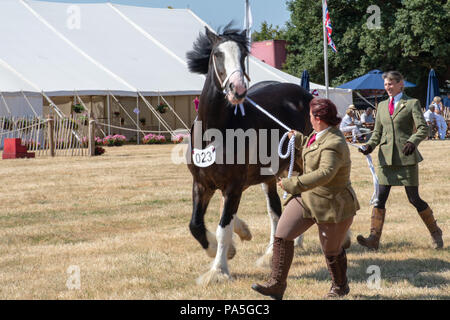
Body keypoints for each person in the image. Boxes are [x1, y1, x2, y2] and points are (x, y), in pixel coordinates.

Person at [251, 98, 360, 300]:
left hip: (332, 204)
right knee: (282, 235)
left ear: (318, 119)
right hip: (307, 197)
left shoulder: (334, 142)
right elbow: (313, 148)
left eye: (310, 116)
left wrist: (293, 183)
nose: (308, 119)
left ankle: (340, 286)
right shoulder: (317, 135)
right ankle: (276, 285)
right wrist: (300, 139)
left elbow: (325, 173)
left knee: (331, 250)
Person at [358, 71, 443, 251]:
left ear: (400, 84)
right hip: (385, 160)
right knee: (380, 199)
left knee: (414, 199)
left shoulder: (412, 103)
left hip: (406, 158)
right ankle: (373, 239)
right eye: (386, 84)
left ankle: (436, 232)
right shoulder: (381, 106)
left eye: (390, 84)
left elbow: (423, 129)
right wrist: (369, 146)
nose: (387, 87)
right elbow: (377, 133)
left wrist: (413, 141)